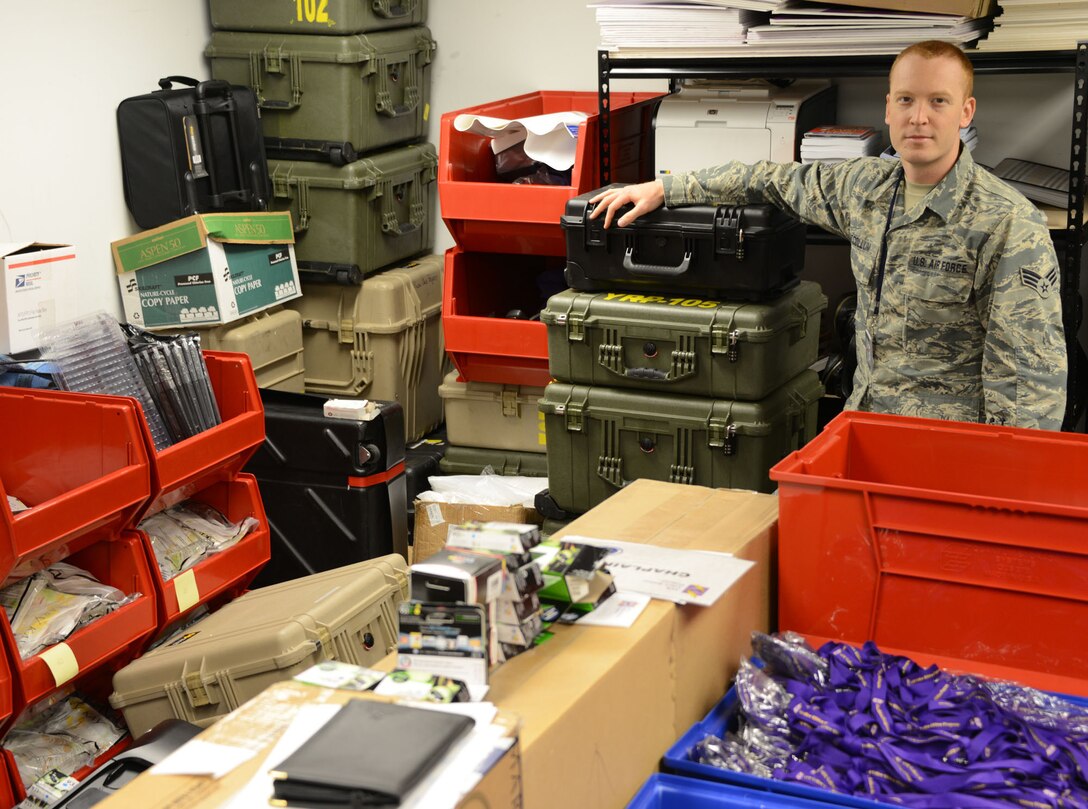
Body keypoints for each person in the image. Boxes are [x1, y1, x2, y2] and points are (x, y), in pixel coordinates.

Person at [590, 40, 1067, 431]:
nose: (918, 117)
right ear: (888, 108)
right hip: (863, 425)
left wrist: (1003, 495)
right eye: (906, 99)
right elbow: (768, 179)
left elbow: (1029, 384)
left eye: (937, 101)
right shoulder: (864, 189)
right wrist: (666, 187)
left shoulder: (1008, 224)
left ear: (965, 112)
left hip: (950, 450)